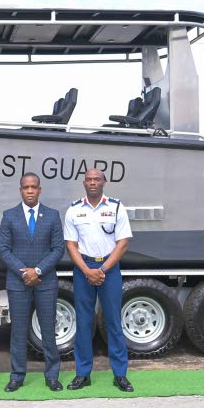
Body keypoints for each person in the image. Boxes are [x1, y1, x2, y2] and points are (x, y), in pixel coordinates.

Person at [63, 168, 134, 392]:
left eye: (97, 179)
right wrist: (87, 270)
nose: (93, 182)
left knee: (113, 322)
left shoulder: (115, 207)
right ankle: (83, 374)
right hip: (83, 269)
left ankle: (120, 374)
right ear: (84, 183)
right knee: (83, 323)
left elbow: (122, 244)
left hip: (109, 269)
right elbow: (71, 246)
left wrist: (101, 269)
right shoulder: (74, 210)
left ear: (104, 182)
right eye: (89, 180)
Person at [0, 173, 65, 392]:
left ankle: (52, 376)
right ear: (20, 190)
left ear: (39, 190)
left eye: (33, 187)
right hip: (18, 282)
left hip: (45, 282)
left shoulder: (52, 216)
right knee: (18, 331)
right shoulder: (9, 216)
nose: (29, 191)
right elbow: (4, 249)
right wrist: (23, 272)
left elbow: (58, 249)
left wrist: (37, 271)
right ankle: (17, 376)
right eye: (25, 187)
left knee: (48, 329)